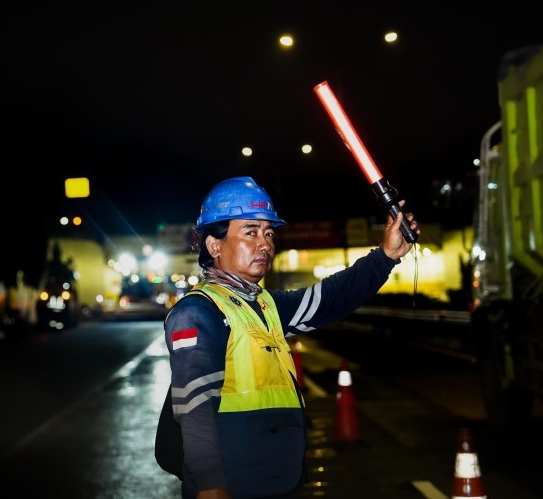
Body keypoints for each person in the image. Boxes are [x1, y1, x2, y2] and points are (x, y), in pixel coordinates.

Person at [155, 176, 419, 498]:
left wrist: (386, 255)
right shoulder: (199, 312)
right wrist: (211, 486)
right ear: (214, 244)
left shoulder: (266, 305)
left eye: (268, 233)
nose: (265, 243)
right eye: (250, 232)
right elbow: (194, 409)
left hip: (283, 484)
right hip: (233, 489)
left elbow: (332, 297)